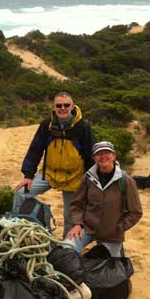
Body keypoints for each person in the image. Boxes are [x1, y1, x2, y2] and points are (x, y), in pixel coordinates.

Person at [14, 92, 96, 237]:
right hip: (50, 173)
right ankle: (18, 232)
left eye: (66, 105)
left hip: (74, 177)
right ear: (54, 107)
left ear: (72, 106)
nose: (62, 108)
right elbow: (36, 149)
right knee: (20, 194)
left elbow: (90, 155)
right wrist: (28, 175)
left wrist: (90, 181)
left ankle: (67, 248)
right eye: (59, 105)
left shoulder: (83, 126)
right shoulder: (47, 125)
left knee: (70, 215)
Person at [66, 141, 143, 257]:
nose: (103, 157)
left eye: (107, 152)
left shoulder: (126, 181)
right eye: (99, 154)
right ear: (94, 158)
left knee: (108, 269)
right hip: (87, 229)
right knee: (66, 249)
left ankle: (117, 250)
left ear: (114, 156)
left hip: (112, 235)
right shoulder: (88, 178)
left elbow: (136, 212)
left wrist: (118, 228)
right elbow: (77, 203)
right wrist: (77, 223)